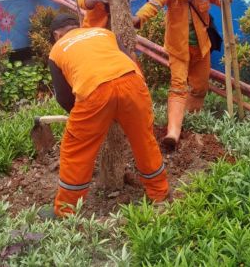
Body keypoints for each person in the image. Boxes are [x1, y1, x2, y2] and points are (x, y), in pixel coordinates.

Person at [46, 13, 169, 217]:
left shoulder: (57, 48)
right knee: (144, 140)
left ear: (57, 35)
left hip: (95, 90)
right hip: (133, 82)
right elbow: (129, 59)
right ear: (79, 26)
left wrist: (87, 118)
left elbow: (64, 98)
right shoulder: (104, 33)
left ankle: (66, 210)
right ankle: (159, 193)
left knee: (76, 150)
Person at [132, 0, 222, 149]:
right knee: (178, 85)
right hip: (178, 49)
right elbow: (154, 4)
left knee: (200, 87)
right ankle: (173, 132)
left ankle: (189, 119)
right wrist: (138, 18)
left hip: (201, 47)